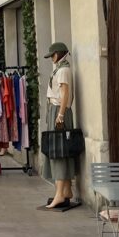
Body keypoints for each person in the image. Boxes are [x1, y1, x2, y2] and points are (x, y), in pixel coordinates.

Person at [44, 42, 76, 209]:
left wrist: (60, 115)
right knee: (63, 150)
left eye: (52, 56)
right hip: (57, 111)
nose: (51, 59)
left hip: (58, 111)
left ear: (57, 54)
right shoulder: (62, 69)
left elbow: (64, 93)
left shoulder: (63, 70)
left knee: (58, 151)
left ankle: (59, 194)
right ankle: (67, 190)